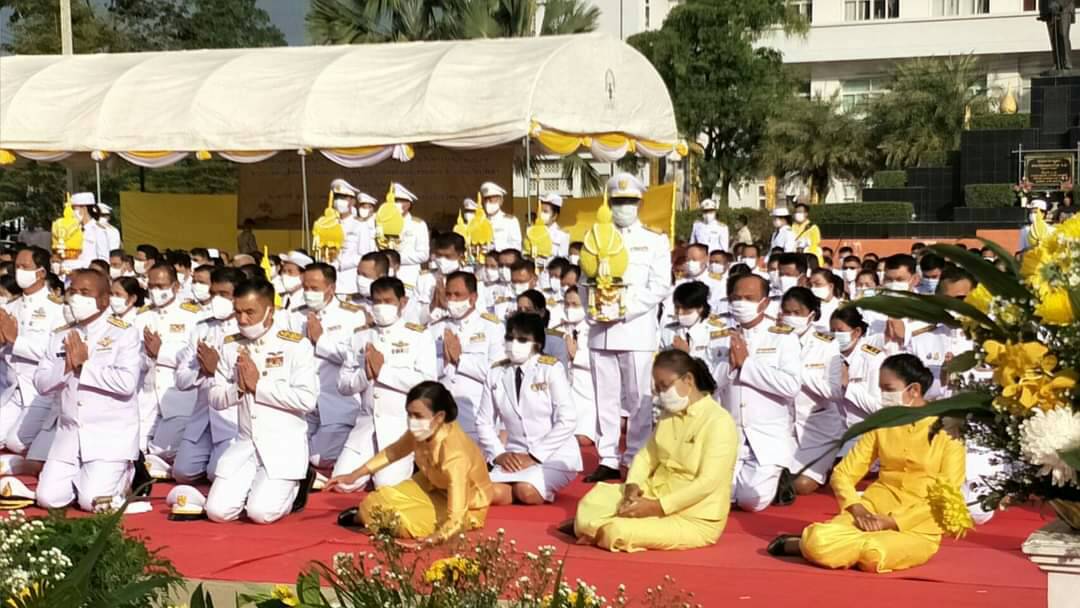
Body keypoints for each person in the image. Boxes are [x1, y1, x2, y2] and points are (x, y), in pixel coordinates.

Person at [768, 354, 966, 574]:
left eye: (888, 389)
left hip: (917, 527)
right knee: (819, 541)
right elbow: (843, 473)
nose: (883, 396)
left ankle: (808, 545)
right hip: (871, 512)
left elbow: (948, 496)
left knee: (874, 554)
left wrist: (891, 522)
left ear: (914, 390)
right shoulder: (883, 422)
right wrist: (857, 507)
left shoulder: (948, 429)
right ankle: (816, 544)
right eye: (881, 389)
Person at [571, 349, 738, 552]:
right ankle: (598, 527)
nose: (661, 395)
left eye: (665, 386)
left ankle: (600, 528)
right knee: (591, 502)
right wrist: (633, 486)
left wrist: (656, 507)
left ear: (688, 380)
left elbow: (707, 483)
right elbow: (647, 456)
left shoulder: (719, 421)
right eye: (657, 389)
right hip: (652, 494)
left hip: (692, 517)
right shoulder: (669, 414)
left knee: (616, 531)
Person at [205, 278, 318, 524]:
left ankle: (296, 489)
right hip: (245, 444)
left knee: (261, 513)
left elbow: (307, 399)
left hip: (282, 445)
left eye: (250, 312)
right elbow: (215, 396)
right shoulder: (230, 345)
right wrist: (238, 389)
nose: (243, 319)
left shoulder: (295, 345)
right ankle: (253, 490)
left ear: (270, 311)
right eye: (238, 312)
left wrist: (259, 387)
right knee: (217, 512)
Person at [585, 173, 672, 483]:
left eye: (629, 202)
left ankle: (635, 456)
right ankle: (607, 457)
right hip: (601, 330)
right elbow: (584, 280)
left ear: (639, 204)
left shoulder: (654, 240)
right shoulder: (595, 237)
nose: (623, 207)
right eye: (618, 201)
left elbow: (660, 285)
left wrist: (623, 308)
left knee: (638, 398)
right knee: (604, 399)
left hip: (635, 328)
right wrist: (593, 310)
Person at [329, 381, 495, 543]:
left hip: (466, 504)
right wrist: (353, 475)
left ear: (439, 417)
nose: (412, 421)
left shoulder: (455, 455)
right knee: (376, 499)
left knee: (403, 521)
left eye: (418, 416)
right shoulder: (421, 430)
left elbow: (456, 519)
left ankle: (368, 518)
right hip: (430, 484)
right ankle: (370, 517)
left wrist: (435, 538)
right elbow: (393, 452)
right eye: (409, 414)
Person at [34, 270, 141, 511]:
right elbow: (41, 383)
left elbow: (126, 383)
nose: (76, 298)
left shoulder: (124, 333)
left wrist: (84, 366)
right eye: (72, 292)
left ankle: (126, 477)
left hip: (109, 435)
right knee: (48, 499)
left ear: (104, 299)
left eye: (85, 292)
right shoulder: (61, 335)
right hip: (69, 435)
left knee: (92, 502)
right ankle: (83, 479)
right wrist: (66, 367)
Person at [331, 277, 437, 492]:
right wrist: (366, 375)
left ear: (402, 302)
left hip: (399, 427)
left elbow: (428, 383)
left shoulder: (418, 335)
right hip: (366, 425)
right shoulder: (360, 335)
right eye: (377, 301)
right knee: (341, 485)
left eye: (388, 301)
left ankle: (411, 467)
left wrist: (384, 372)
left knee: (387, 487)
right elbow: (343, 384)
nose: (381, 307)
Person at [716, 273, 802, 512]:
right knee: (720, 496)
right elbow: (710, 384)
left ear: (764, 303)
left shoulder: (783, 337)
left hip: (766, 435)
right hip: (731, 433)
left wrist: (747, 365)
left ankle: (779, 474)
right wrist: (730, 367)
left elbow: (791, 386)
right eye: (736, 298)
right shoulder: (720, 336)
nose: (741, 303)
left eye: (749, 298)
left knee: (751, 500)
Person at [475, 313, 580, 505]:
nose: (514, 344)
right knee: (491, 494)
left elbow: (568, 419)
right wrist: (498, 454)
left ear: (537, 344)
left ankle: (535, 487)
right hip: (514, 456)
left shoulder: (551, 369)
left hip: (554, 455)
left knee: (526, 491)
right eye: (510, 338)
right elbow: (483, 421)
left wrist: (534, 456)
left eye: (522, 340)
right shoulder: (496, 372)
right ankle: (512, 486)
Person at [288, 262, 367, 471]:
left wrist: (320, 341)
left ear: (331, 288)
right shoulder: (294, 315)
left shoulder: (352, 315)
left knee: (318, 458)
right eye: (305, 287)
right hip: (304, 404)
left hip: (336, 404)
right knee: (289, 452)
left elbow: (355, 358)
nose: (308, 293)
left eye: (314, 288)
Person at [172, 267, 245, 484]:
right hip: (203, 416)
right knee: (182, 472)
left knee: (217, 473)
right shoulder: (202, 328)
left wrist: (216, 369)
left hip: (232, 419)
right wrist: (201, 370)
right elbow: (181, 380)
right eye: (213, 294)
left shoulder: (246, 331)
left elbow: (248, 379)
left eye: (224, 294)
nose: (216, 299)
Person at [137, 263, 202, 477]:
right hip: (147, 397)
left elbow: (193, 359)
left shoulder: (193, 316)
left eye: (161, 286)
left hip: (177, 398)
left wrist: (161, 352)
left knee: (163, 451)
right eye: (151, 286)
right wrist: (148, 356)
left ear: (175, 286)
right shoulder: (142, 316)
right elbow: (135, 358)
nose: (155, 291)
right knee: (134, 448)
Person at [780, 288, 844, 496]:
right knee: (773, 481)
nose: (791, 317)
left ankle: (828, 466)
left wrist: (796, 373)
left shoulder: (827, 344)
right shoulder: (774, 340)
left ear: (811, 314)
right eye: (787, 312)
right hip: (784, 427)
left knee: (801, 485)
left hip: (818, 429)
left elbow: (834, 391)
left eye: (797, 313)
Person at [0, 247, 64, 456]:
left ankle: (53, 440)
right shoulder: (12, 305)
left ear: (41, 272)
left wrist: (15, 341)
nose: (19, 271)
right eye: (17, 266)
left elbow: (53, 354)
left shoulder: (56, 309)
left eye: (25, 267)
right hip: (13, 390)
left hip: (40, 393)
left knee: (16, 442)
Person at [429, 271, 504, 442]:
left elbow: (497, 375)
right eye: (448, 294)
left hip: (476, 419)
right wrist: (445, 363)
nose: (452, 300)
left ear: (473, 298)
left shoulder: (492, 327)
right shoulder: (435, 329)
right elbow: (425, 373)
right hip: (440, 420)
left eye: (458, 295)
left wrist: (460, 360)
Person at [832, 306, 886, 431]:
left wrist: (848, 386)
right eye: (832, 331)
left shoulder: (874, 359)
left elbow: (880, 408)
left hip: (865, 432)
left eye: (840, 331)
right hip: (834, 431)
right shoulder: (829, 355)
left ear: (856, 332)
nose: (835, 335)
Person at [558, 286, 597, 446]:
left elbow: (599, 360)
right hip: (566, 386)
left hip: (588, 390)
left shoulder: (594, 328)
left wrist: (576, 355)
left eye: (575, 304)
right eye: (567, 304)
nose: (570, 308)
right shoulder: (560, 327)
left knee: (583, 439)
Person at [391, 183, 430, 293]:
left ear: (408, 204)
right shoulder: (384, 223)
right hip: (387, 277)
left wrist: (396, 259)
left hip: (408, 277)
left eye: (400, 201)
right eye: (394, 201)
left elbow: (423, 255)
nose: (396, 204)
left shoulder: (418, 225)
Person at [71, 193, 109, 272]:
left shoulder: (98, 230)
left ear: (84, 208)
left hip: (91, 273)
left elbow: (103, 259)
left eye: (74, 208)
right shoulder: (73, 229)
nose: (72, 212)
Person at [481, 182, 522, 252]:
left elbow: (517, 246)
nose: (488, 203)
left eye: (491, 200)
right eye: (486, 200)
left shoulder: (510, 221)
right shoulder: (481, 221)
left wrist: (496, 246)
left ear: (500, 201)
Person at [539, 193, 571, 257]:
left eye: (545, 211)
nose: (541, 214)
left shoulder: (563, 235)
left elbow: (562, 259)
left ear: (555, 216)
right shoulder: (532, 231)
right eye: (540, 211)